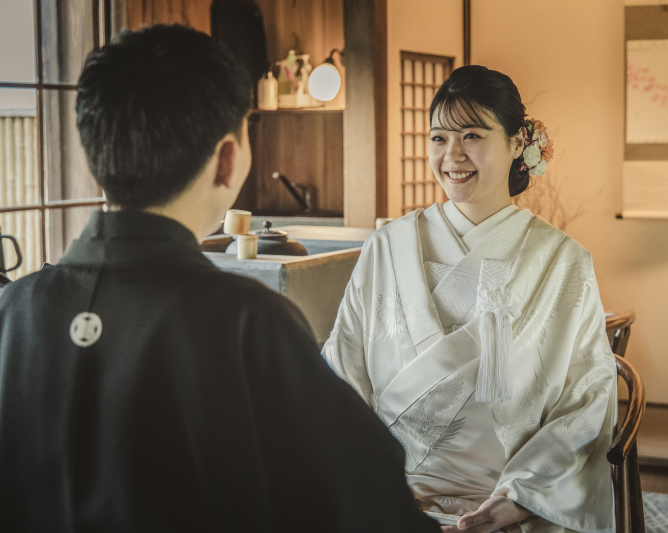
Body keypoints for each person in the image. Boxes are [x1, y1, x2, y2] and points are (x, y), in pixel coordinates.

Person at [0, 25, 440, 533]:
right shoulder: (243, 321)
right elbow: (370, 502)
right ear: (229, 158)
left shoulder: (13, 311)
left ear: (93, 152)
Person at [324, 65, 617, 533]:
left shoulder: (563, 260)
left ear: (518, 143)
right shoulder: (388, 246)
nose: (452, 155)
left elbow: (586, 399)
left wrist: (519, 497)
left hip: (513, 495)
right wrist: (369, 481)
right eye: (438, 138)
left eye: (472, 136)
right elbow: (342, 372)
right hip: (387, 487)